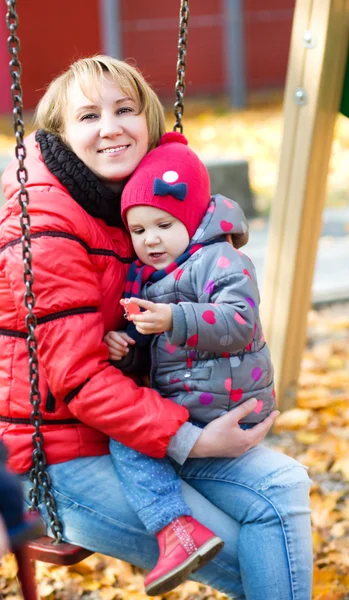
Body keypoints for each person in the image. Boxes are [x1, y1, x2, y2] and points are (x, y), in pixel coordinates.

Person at [0, 55, 313, 600]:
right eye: (89, 116)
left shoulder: (129, 202)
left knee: (284, 487)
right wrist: (191, 439)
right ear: (61, 133)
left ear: (148, 118)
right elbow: (77, 380)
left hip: (133, 430)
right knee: (254, 553)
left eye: (124, 109)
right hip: (62, 453)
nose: (111, 127)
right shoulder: (45, 226)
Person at [104, 131, 278, 595]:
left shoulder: (221, 258)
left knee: (129, 440)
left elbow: (240, 322)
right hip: (199, 393)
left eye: (163, 224)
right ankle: (179, 529)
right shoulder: (155, 275)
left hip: (226, 400)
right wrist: (130, 345)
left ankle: (173, 527)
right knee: (134, 424)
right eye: (138, 231)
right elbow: (165, 348)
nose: (151, 240)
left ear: (193, 218)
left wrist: (173, 318)